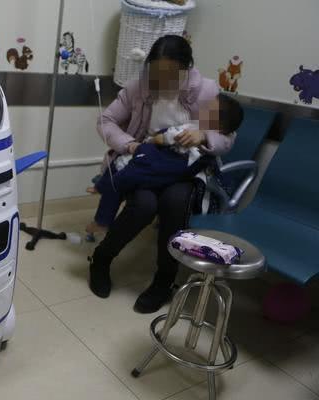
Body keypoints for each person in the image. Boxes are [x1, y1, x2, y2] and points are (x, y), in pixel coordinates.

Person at [88, 35, 235, 313]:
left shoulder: (206, 91)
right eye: (156, 72)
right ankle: (101, 259)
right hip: (149, 161)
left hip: (186, 169)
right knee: (143, 204)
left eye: (170, 74)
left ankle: (164, 280)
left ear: (187, 68)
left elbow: (228, 136)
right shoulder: (139, 87)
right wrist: (129, 145)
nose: (162, 80)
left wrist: (205, 135)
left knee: (175, 202)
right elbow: (106, 121)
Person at [87, 94, 244, 234]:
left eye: (209, 110)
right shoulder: (195, 123)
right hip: (160, 152)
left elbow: (223, 141)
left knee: (123, 179)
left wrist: (201, 136)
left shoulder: (217, 136)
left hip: (173, 165)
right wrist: (152, 140)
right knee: (120, 161)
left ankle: (103, 217)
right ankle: (103, 187)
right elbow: (170, 132)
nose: (203, 110)